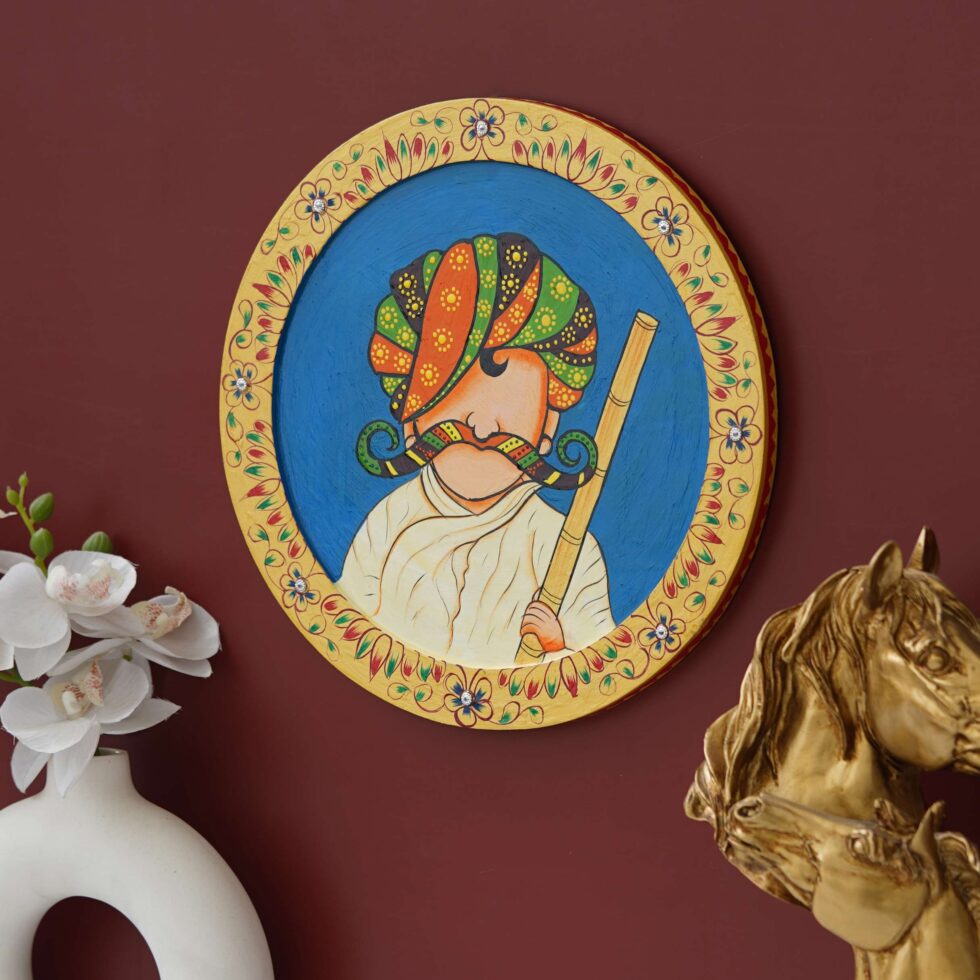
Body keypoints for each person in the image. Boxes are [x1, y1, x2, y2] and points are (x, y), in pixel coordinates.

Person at [339, 233, 614, 667]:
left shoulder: (567, 549)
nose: (483, 428)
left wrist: (559, 647)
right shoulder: (388, 524)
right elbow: (348, 637)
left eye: (511, 406)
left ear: (548, 425)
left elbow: (601, 666)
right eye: (454, 400)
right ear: (410, 420)